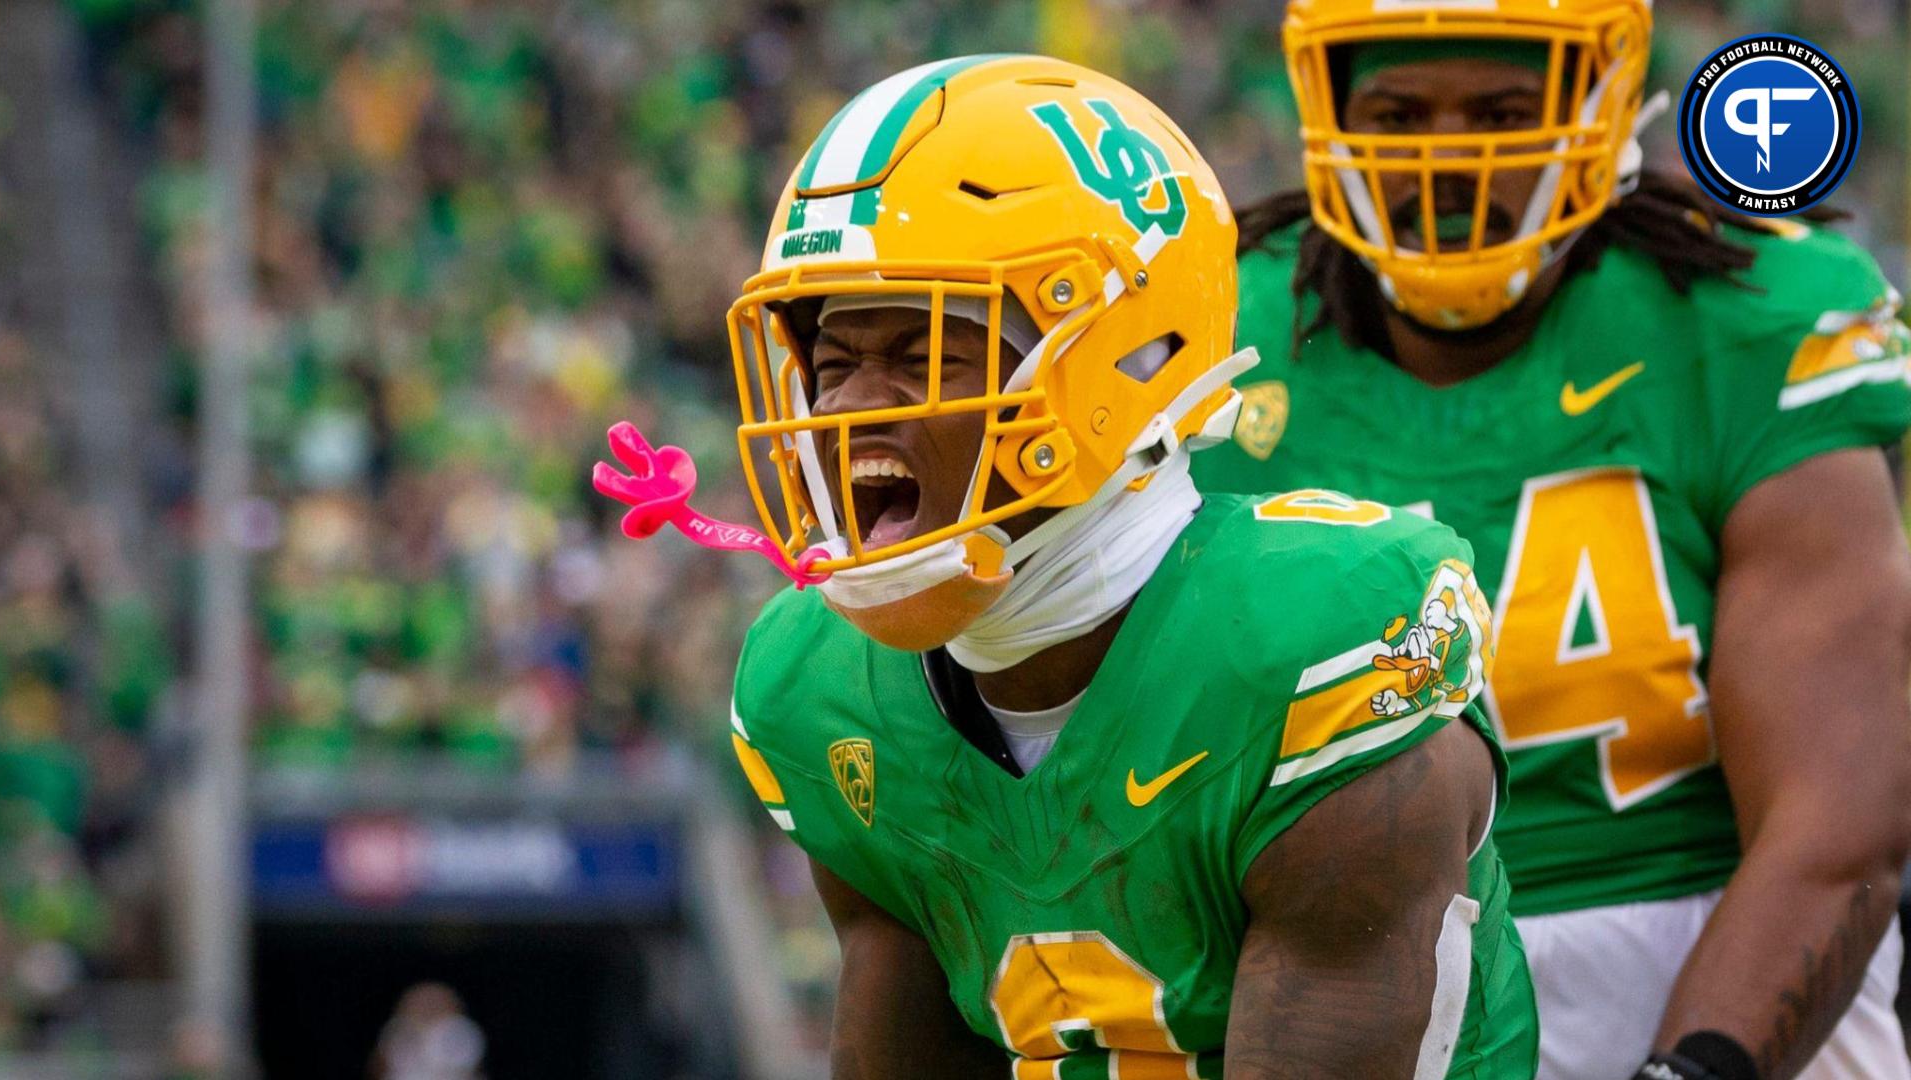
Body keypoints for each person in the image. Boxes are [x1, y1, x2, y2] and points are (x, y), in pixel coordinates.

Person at [597, 54, 1537, 1077]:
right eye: (832, 362)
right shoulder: (816, 690)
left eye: (922, 355)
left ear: (1126, 361)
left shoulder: (1315, 640)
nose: (850, 408)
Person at [1190, 3, 1911, 1080]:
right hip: (1337, 952)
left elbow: (1836, 824)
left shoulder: (1745, 316)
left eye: (1501, 109)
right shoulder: (1217, 333)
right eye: (1398, 111)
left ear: (1604, 100)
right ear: (1325, 107)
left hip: (1704, 946)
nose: (1451, 155)